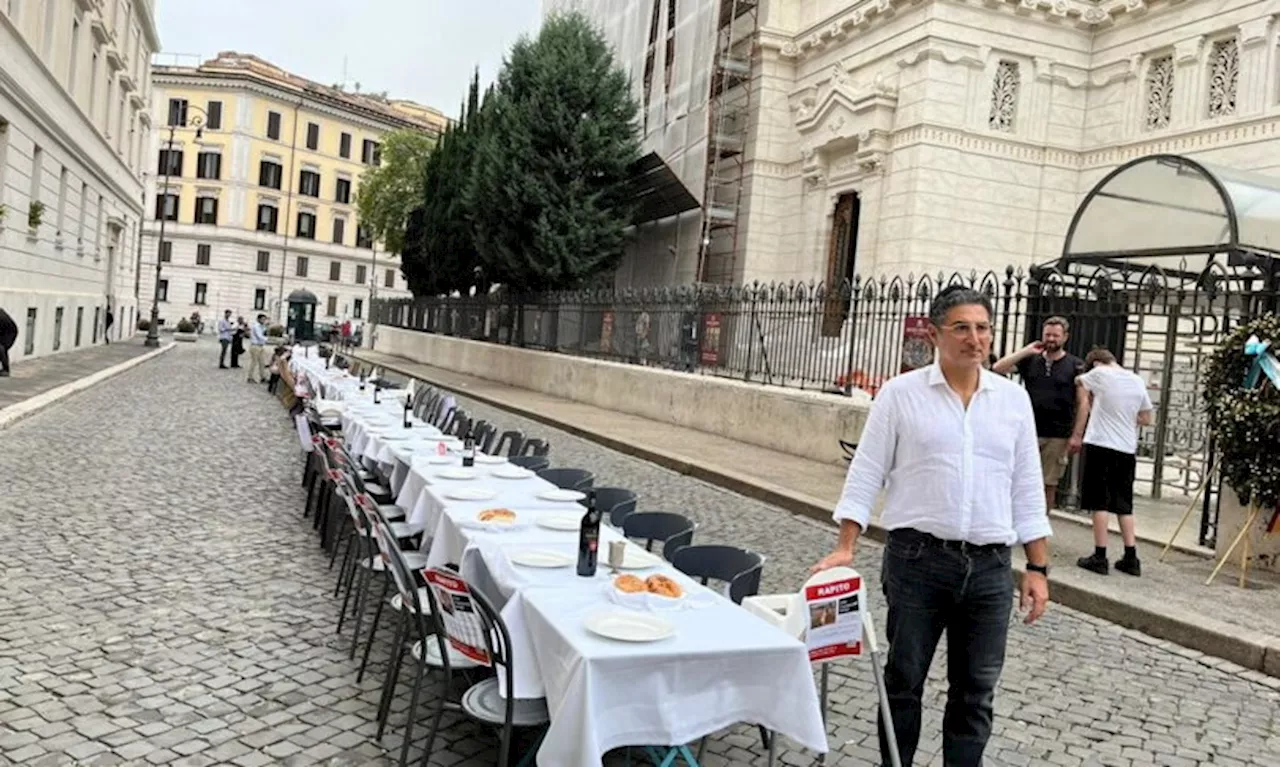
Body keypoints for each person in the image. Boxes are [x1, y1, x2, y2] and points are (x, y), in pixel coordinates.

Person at [812, 285, 1052, 767]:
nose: (974, 338)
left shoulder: (1011, 402)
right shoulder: (901, 396)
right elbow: (866, 472)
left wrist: (1038, 568)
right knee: (903, 683)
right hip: (917, 561)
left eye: (982, 327)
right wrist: (845, 546)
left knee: (976, 692)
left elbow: (1027, 486)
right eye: (961, 327)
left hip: (988, 569)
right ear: (934, 333)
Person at [1070, 348, 1155, 577]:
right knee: (1124, 503)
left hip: (1100, 444)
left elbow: (1079, 381)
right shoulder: (1137, 380)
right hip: (1126, 448)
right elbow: (1146, 417)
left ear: (1097, 363)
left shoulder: (1099, 374)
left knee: (1100, 502)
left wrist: (1088, 387)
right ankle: (1131, 556)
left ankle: (1100, 555)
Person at [992, 317, 1085, 510]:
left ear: (1065, 337)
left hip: (1058, 433)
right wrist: (1026, 350)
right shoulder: (1030, 361)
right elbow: (998, 367)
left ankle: (1041, 525)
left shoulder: (1076, 365)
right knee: (1019, 479)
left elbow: (1083, 401)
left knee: (1047, 483)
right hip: (1028, 430)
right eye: (1047, 334)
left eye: (1055, 335)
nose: (1051, 339)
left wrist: (1077, 435)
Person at [246, 313, 268, 384]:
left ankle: (263, 377)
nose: (264, 321)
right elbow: (260, 336)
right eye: (262, 319)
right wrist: (269, 339)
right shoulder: (256, 326)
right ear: (258, 319)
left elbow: (265, 332)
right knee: (254, 362)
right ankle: (250, 377)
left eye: (265, 319)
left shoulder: (262, 326)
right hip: (255, 346)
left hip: (260, 346)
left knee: (262, 362)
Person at [0, 308, 18, 377]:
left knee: (1, 348)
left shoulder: (1, 316)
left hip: (10, 332)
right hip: (3, 331)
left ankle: (6, 370)